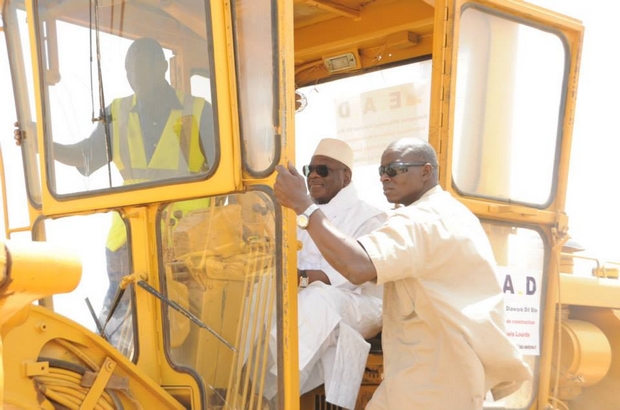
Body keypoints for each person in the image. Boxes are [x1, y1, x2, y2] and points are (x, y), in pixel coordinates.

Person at [274, 137, 532, 409]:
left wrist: (304, 206)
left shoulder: (422, 221)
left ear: (426, 171)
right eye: (382, 171)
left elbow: (357, 267)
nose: (385, 178)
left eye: (395, 170)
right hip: (424, 368)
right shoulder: (451, 213)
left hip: (435, 375)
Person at [52, 37, 215, 351]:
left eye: (142, 67)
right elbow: (87, 158)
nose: (135, 76)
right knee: (119, 324)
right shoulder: (118, 112)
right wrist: (44, 145)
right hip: (128, 237)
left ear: (162, 67)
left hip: (187, 241)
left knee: (185, 333)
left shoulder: (197, 112)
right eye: (129, 70)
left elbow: (225, 171)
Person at [264, 138, 386, 409]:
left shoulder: (370, 217)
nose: (314, 176)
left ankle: (273, 391)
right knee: (257, 293)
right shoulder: (296, 215)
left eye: (323, 170)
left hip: (361, 303)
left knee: (320, 298)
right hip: (305, 298)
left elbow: (350, 275)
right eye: (310, 170)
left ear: (346, 177)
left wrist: (298, 277)